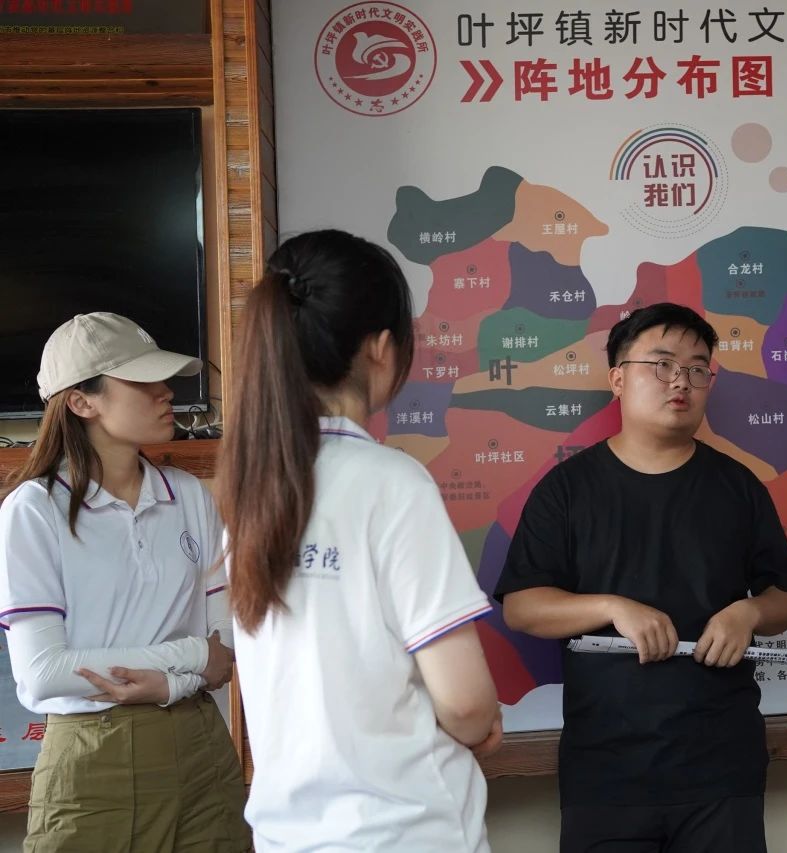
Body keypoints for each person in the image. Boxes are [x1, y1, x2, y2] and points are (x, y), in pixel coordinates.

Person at [218, 229, 502, 852]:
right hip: (404, 833)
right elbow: (466, 703)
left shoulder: (248, 492)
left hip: (289, 837)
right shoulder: (392, 482)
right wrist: (481, 721)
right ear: (380, 347)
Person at [496, 302, 787, 853]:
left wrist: (750, 612)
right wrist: (612, 607)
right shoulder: (566, 490)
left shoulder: (738, 487)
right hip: (605, 769)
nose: (680, 381)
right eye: (662, 365)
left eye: (697, 369)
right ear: (618, 379)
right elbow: (522, 607)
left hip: (721, 764)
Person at [0, 312, 250, 852]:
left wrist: (173, 684)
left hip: (203, 746)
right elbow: (43, 673)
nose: (166, 392)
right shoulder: (34, 510)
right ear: (81, 401)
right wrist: (188, 656)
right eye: (142, 380)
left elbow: (225, 652)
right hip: (95, 761)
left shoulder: (189, 496)